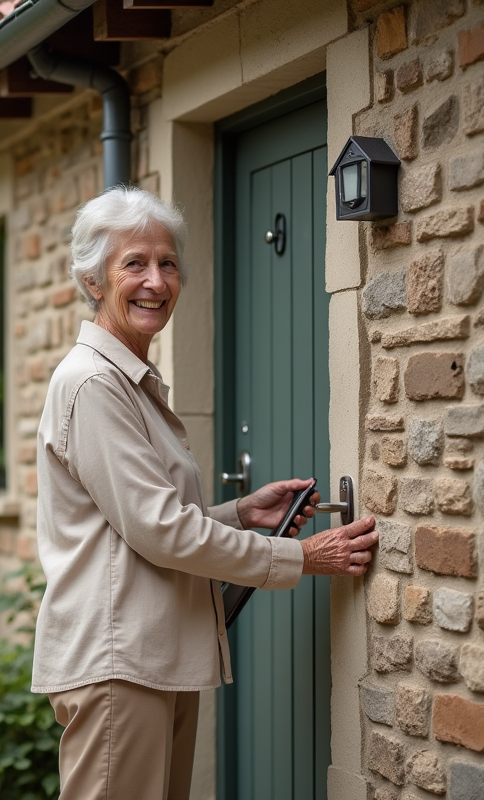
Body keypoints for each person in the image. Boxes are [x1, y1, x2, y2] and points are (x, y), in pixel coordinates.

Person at [31, 186, 378, 800]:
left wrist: (241, 513)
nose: (155, 281)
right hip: (121, 665)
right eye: (133, 264)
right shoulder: (93, 384)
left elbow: (136, 522)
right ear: (93, 279)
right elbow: (160, 530)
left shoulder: (129, 380)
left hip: (149, 658)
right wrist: (303, 558)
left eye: (167, 264)